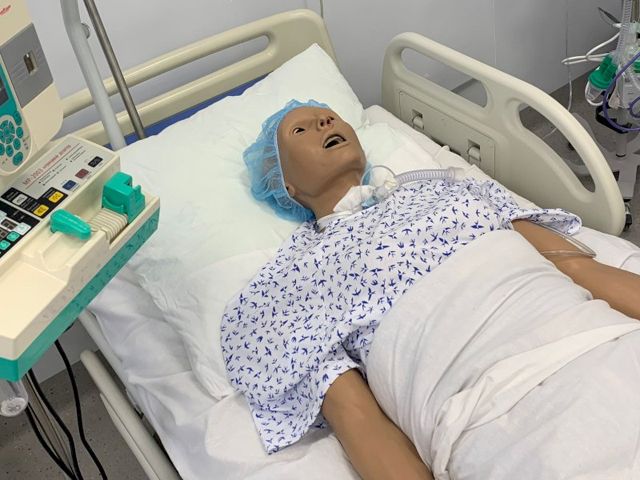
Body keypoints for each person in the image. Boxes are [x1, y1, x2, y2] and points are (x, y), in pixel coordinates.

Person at [221, 100, 640, 480]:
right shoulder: (294, 279)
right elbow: (359, 420)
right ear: (287, 187)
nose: (324, 122)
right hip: (497, 416)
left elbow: (577, 267)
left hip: (601, 342)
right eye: (300, 130)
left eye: (328, 116)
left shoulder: (446, 188)